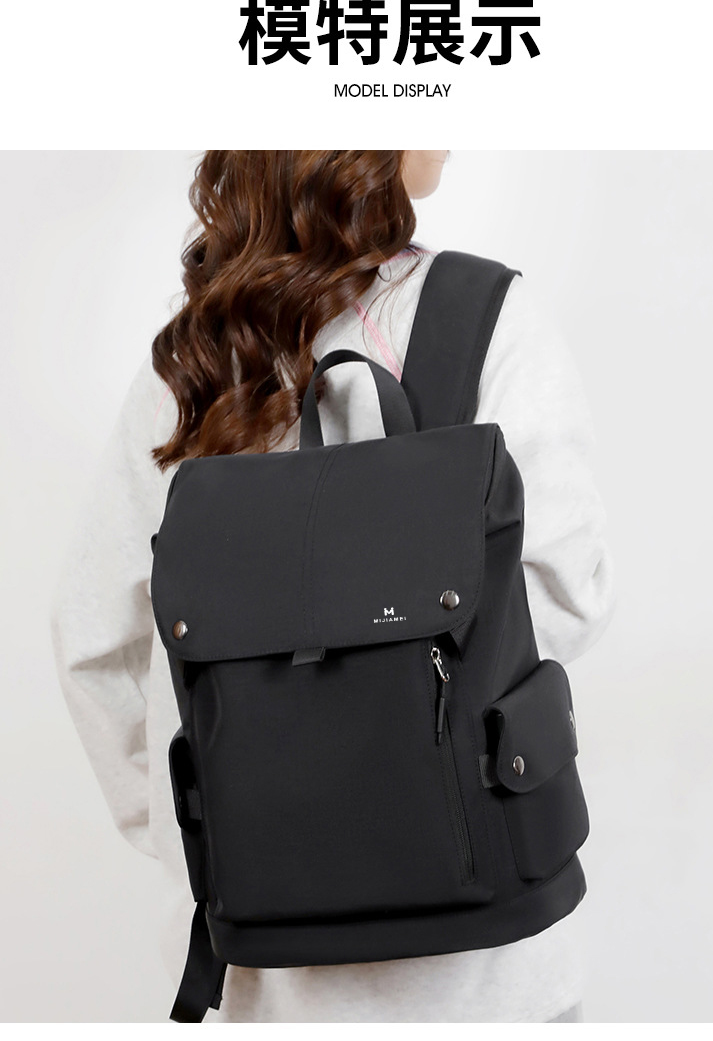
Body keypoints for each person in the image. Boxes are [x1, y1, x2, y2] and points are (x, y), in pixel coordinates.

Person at [50, 150, 615, 1023]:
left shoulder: (197, 356)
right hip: (486, 975)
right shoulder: (488, 317)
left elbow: (92, 639)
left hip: (265, 979)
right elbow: (568, 591)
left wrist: (202, 828)